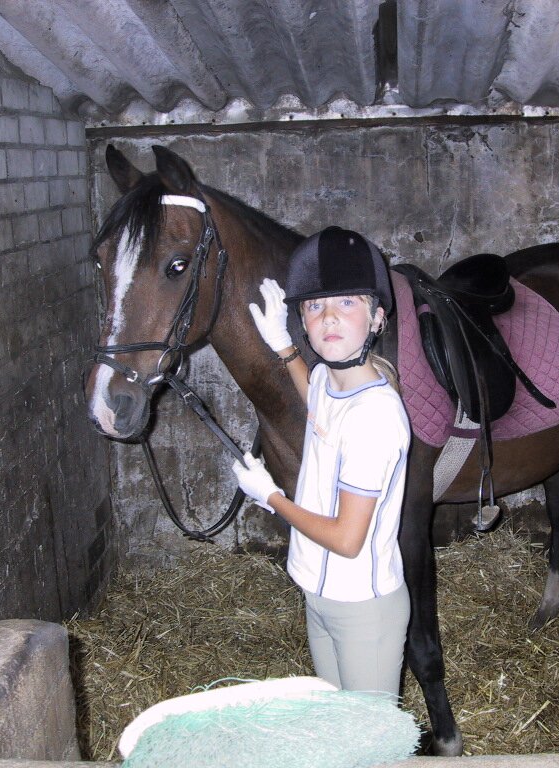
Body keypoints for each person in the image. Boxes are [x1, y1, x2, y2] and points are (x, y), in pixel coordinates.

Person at [231, 226, 411, 700]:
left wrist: (270, 496)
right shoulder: (331, 382)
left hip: (362, 607)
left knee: (371, 737)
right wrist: (282, 346)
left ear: (376, 318)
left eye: (347, 302)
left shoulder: (374, 416)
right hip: (317, 594)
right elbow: (317, 397)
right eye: (314, 306)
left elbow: (348, 541)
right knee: (334, 725)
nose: (328, 316)